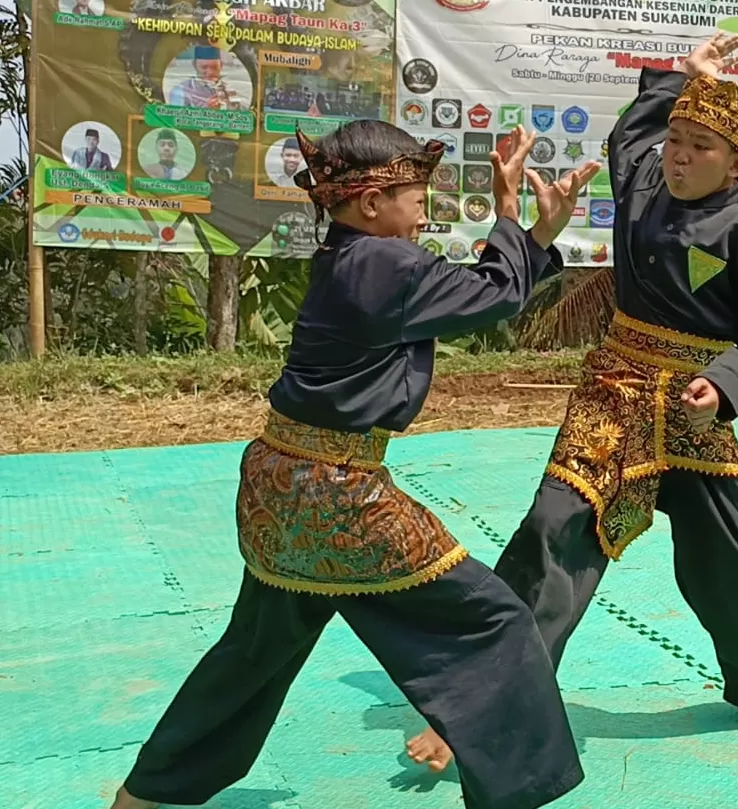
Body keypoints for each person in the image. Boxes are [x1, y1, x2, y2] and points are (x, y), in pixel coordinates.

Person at [106, 120, 601, 809]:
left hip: (278, 487)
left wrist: (533, 235)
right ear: (370, 203)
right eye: (413, 192)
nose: (423, 207)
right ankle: (515, 792)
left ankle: (142, 795)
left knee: (254, 651)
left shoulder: (351, 258)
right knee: (497, 621)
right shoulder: (384, 263)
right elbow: (495, 296)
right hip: (340, 496)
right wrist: (514, 214)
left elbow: (487, 290)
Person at [400, 32, 738, 774]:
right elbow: (632, 129)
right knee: (552, 536)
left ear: (737, 161)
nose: (680, 155)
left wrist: (723, 384)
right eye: (678, 140)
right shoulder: (640, 181)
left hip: (696, 414)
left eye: (701, 146)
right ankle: (479, 703)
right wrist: (679, 78)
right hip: (615, 393)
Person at [167, 46, 244, 110]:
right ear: (195, 65)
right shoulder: (180, 91)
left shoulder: (230, 89)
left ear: (221, 65)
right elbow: (175, 120)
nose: (210, 72)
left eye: (214, 67)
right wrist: (206, 110)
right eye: (204, 67)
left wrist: (234, 106)